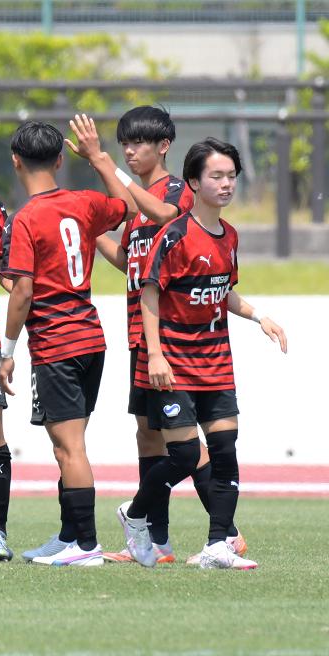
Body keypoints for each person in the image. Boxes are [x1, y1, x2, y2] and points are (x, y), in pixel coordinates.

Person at [116, 137, 286, 570]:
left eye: (231, 176)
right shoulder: (174, 235)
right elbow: (149, 294)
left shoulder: (230, 236)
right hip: (175, 364)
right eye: (216, 176)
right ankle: (135, 514)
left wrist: (258, 316)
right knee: (186, 456)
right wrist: (155, 355)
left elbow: (223, 291)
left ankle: (217, 546)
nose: (226, 184)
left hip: (216, 362)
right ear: (194, 181)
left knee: (225, 450)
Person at [94, 106, 246, 563]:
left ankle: (225, 532)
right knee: (149, 435)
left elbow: (165, 216)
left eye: (138, 143)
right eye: (124, 144)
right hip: (140, 336)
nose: (129, 151)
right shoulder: (135, 206)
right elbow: (128, 260)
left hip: (172, 340)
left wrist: (105, 165)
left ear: (163, 146)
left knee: (188, 445)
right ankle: (155, 542)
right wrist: (90, 232)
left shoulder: (176, 191)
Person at [0, 117, 136, 567]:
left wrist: (6, 352)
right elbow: (126, 206)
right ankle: (69, 536)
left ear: (15, 161)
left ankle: (87, 545)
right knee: (70, 444)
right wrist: (97, 159)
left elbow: (22, 291)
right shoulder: (84, 202)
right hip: (90, 338)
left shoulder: (27, 218)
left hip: (57, 343)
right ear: (60, 160)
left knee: (68, 447)